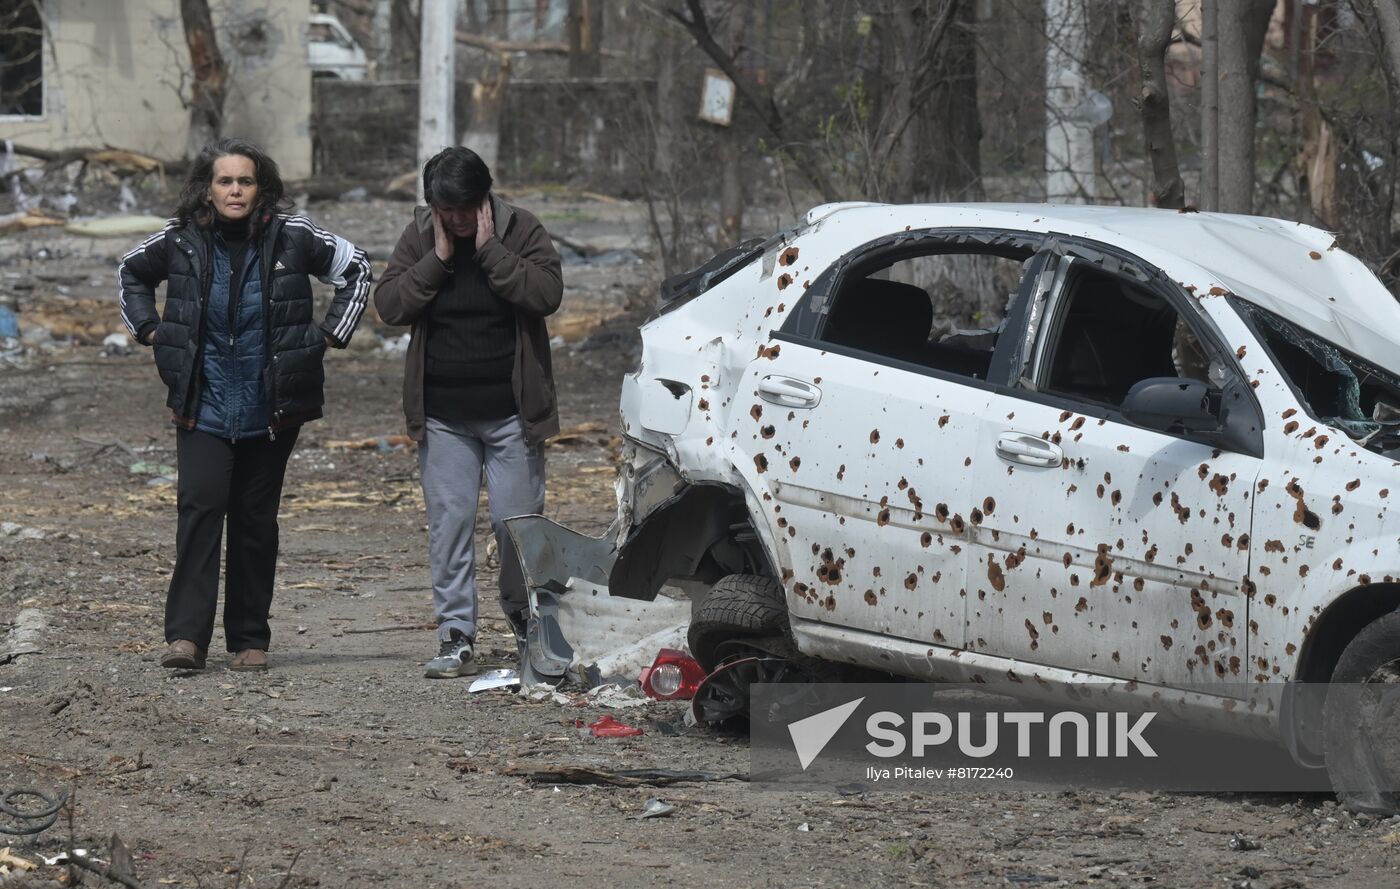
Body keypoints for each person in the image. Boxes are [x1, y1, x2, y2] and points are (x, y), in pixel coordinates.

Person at [119, 137, 372, 672]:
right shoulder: (181, 239)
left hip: (271, 405)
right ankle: (186, 639)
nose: (236, 190)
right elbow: (131, 273)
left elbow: (358, 269)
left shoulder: (294, 236)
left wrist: (327, 337)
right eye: (225, 181)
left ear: (262, 188)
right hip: (202, 400)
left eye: (246, 181)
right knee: (201, 510)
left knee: (255, 521)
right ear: (207, 189)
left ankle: (249, 640)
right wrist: (150, 332)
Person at [375, 146, 562, 679]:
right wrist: (436, 259)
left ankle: (529, 628)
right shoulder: (419, 236)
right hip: (444, 415)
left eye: (464, 208)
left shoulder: (520, 229)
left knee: (516, 527)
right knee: (450, 526)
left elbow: (547, 293)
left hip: (512, 415)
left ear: (484, 199)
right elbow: (389, 305)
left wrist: (490, 252)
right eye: (445, 208)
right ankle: (455, 635)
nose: (455, 219)